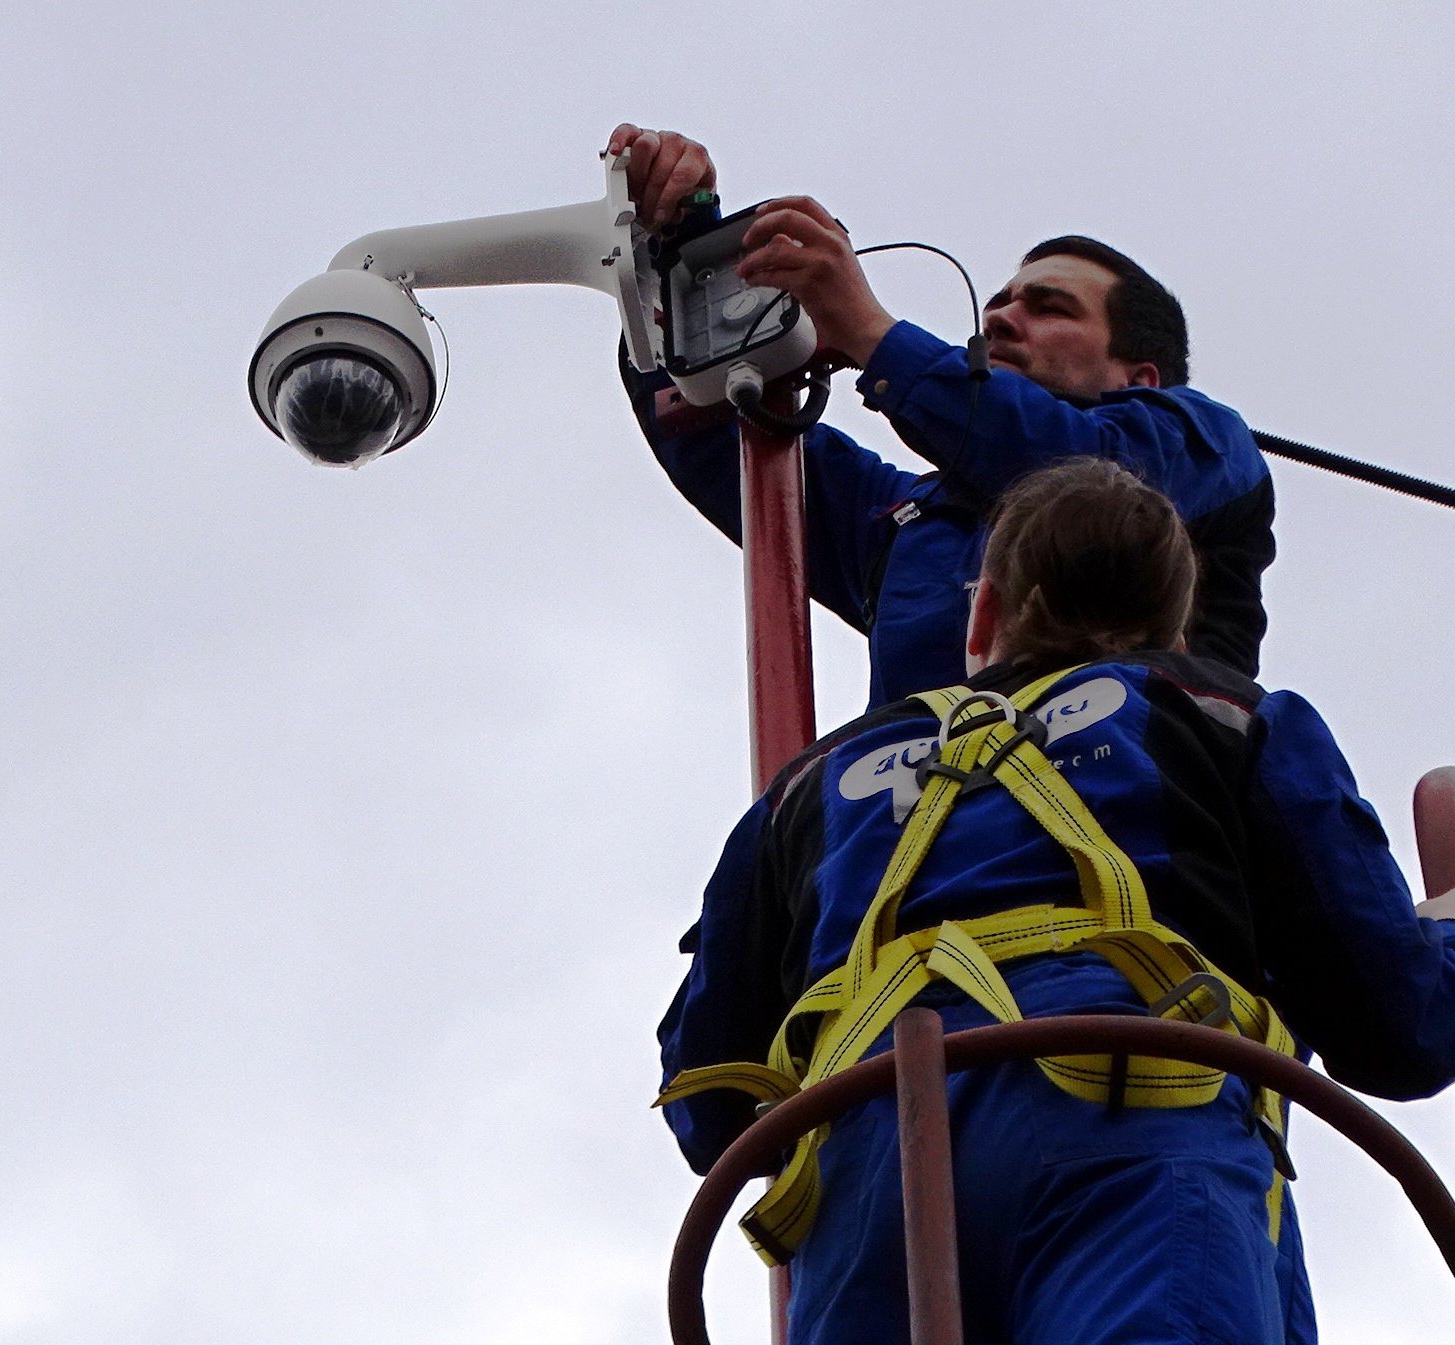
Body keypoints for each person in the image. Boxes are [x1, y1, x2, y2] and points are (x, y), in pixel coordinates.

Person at [656, 459, 1455, 1345]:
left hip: (870, 1164)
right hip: (1132, 1134)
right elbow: (1400, 1029)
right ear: (1171, 623)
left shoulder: (806, 786)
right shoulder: (1223, 714)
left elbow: (706, 1101)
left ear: (984, 611)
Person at [606, 125, 1275, 709]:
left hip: (1138, 828)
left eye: (1049, 308)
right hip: (939, 841)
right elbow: (729, 447)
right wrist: (676, 255)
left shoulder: (1205, 441)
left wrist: (871, 334)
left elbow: (1079, 474)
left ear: (1141, 378)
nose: (1001, 318)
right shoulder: (902, 520)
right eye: (999, 303)